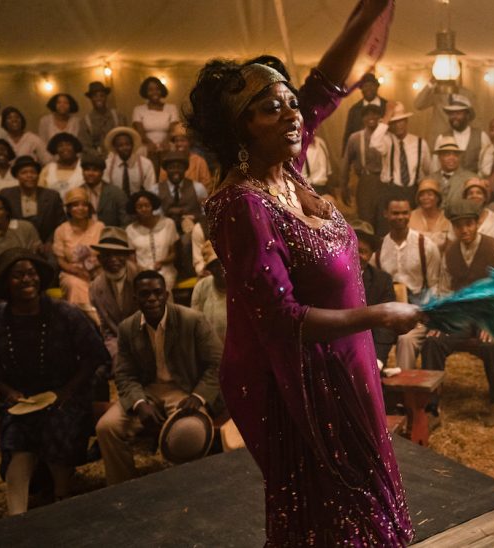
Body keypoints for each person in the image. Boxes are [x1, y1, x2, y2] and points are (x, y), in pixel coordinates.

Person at [192, 3, 420, 537]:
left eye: (290, 103)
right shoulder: (242, 206)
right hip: (296, 374)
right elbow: (281, 320)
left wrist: (364, 17)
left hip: (343, 357)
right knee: (334, 512)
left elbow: (324, 87)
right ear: (240, 127)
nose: (293, 114)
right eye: (271, 108)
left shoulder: (285, 172)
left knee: (362, 499)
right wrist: (378, 314)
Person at [0, 249, 109, 515]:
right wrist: (7, 392)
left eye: (32, 273)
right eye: (18, 275)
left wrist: (66, 391)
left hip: (67, 395)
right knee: (17, 440)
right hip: (20, 399)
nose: (27, 279)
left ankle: (62, 496)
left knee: (56, 427)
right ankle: (17, 515)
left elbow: (94, 355)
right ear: (6, 282)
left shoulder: (65, 313)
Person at [95, 270, 222, 485]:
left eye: (157, 293)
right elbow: (124, 374)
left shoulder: (192, 320)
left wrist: (199, 396)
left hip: (185, 390)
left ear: (167, 295)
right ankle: (122, 488)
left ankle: (191, 484)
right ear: (135, 298)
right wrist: (139, 402)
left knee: (190, 430)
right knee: (106, 427)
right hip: (147, 391)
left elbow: (217, 364)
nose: (152, 299)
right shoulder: (127, 328)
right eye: (144, 294)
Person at [424, 200, 494, 426]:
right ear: (453, 228)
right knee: (433, 341)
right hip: (461, 315)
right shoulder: (450, 252)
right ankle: (431, 406)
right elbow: (444, 291)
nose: (465, 230)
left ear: (477, 224)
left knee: (490, 344)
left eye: (469, 224)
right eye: (459, 226)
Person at [376, 197, 442, 370]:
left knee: (406, 340)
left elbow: (435, 285)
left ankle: (406, 391)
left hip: (417, 312)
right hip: (388, 314)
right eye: (395, 213)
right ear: (386, 214)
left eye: (405, 213)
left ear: (410, 214)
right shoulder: (380, 248)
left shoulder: (426, 246)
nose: (400, 217)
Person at [370, 101, 432, 211]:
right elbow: (374, 142)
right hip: (391, 191)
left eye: (401, 121)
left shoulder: (420, 143)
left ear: (406, 121)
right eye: (394, 122)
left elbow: (428, 170)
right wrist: (387, 116)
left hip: (414, 192)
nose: (398, 125)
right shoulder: (387, 141)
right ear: (389, 125)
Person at [89, 226, 139, 360]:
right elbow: (105, 328)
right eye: (107, 254)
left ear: (127, 256)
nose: (113, 259)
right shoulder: (95, 287)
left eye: (118, 253)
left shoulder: (142, 278)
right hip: (115, 341)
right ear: (99, 259)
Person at [352, 221, 397, 370]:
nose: (357, 256)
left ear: (371, 254)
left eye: (363, 251)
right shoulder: (331, 277)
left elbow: (386, 323)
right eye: (352, 249)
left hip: (370, 348)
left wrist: (377, 360)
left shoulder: (382, 281)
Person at [53, 187, 104, 313]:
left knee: (102, 283)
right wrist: (77, 271)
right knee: (75, 284)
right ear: (69, 209)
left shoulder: (99, 226)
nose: (80, 208)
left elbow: (106, 254)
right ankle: (87, 321)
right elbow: (61, 261)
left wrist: (95, 269)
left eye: (84, 205)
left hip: (99, 271)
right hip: (72, 273)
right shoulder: (61, 230)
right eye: (75, 205)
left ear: (89, 208)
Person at [0, 156, 65, 246]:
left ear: (38, 175)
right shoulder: (6, 194)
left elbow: (61, 223)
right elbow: (1, 221)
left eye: (33, 172)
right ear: (17, 176)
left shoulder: (52, 196)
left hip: (46, 245)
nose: (29, 175)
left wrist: (50, 242)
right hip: (14, 244)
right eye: (24, 173)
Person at [125, 190, 178, 290]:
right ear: (134, 209)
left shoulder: (168, 224)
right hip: (141, 272)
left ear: (152, 206)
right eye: (139, 207)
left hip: (165, 270)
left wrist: (162, 262)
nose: (144, 209)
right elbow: (131, 259)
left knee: (162, 289)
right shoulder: (130, 230)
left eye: (147, 205)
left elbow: (173, 253)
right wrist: (140, 269)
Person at [0, 194, 41, 277]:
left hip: (30, 273)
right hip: (2, 279)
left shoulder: (26, 227)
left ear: (7, 211)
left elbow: (36, 255)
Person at [413, 77, 476, 142]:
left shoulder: (466, 93)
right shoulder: (437, 92)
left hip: (460, 137)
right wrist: (430, 83)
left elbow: (472, 117)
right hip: (438, 138)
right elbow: (418, 104)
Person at [132, 76, 180, 160]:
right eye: (150, 90)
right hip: (145, 144)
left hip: (167, 142)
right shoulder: (138, 109)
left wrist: (165, 142)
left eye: (157, 89)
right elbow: (140, 132)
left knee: (172, 154)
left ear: (161, 90)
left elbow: (174, 129)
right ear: (145, 92)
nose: (155, 92)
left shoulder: (171, 108)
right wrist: (149, 143)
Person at [439, 94, 490, 174]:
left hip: (475, 184)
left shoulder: (481, 136)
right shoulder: (442, 138)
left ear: (467, 115)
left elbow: (487, 165)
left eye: (458, 113)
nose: (454, 117)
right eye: (451, 114)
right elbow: (436, 168)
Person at [190, 242, 228, 346]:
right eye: (215, 264)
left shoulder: (242, 286)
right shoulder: (202, 287)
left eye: (223, 262)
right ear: (209, 269)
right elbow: (195, 324)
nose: (221, 268)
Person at [79, 151, 130, 228]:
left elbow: (126, 222)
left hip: (111, 237)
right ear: (82, 172)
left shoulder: (116, 193)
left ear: (102, 173)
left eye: (95, 170)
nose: (90, 173)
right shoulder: (77, 192)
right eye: (87, 170)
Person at [77, 82, 128, 156]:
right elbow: (84, 145)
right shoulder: (85, 121)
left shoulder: (118, 115)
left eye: (102, 96)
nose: (99, 99)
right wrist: (98, 155)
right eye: (95, 96)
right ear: (91, 99)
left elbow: (126, 136)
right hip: (98, 159)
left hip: (119, 155)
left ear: (106, 97)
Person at [158, 150, 207, 226]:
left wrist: (194, 217)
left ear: (185, 169)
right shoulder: (156, 190)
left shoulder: (198, 188)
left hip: (192, 230)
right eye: (171, 168)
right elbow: (154, 216)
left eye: (179, 167)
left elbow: (206, 213)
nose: (176, 171)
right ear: (166, 170)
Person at [104, 126, 157, 196]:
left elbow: (151, 190)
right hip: (115, 202)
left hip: (138, 202)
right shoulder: (107, 165)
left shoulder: (146, 164)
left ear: (132, 145)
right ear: (115, 147)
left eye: (127, 144)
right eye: (120, 145)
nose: (125, 148)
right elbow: (105, 191)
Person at [342, 72, 387, 149]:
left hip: (385, 150)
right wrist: (346, 156)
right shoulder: (354, 110)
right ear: (361, 89)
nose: (369, 88)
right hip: (361, 153)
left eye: (371, 85)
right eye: (365, 86)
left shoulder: (387, 106)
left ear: (377, 87)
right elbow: (348, 135)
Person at [409, 178, 452, 251]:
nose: (425, 198)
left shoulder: (447, 217)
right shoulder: (410, 216)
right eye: (422, 195)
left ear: (437, 198)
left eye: (430, 194)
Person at [39, 133, 85, 197]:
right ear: (56, 149)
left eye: (68, 145)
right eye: (60, 146)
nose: (65, 148)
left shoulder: (84, 166)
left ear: (75, 147)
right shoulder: (48, 169)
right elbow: (40, 191)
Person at [463, 177, 494, 243]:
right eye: (470, 193)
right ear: (465, 198)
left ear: (485, 197)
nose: (474, 196)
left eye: (479, 193)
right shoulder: (457, 219)